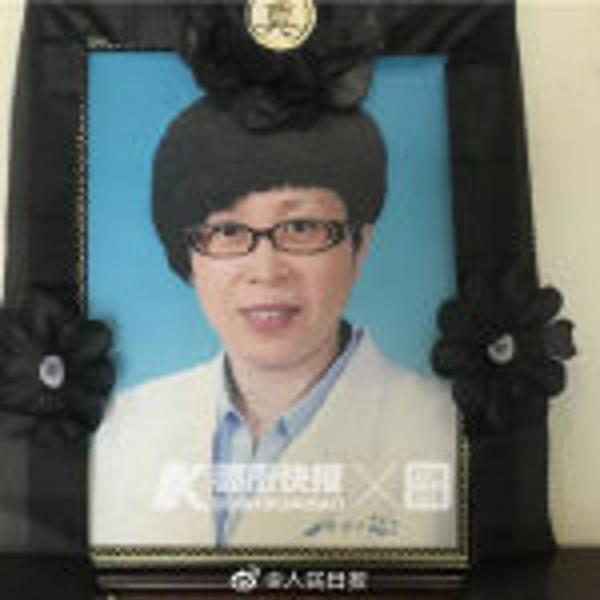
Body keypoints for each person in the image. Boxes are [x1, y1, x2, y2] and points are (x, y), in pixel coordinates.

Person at [90, 97, 457, 549]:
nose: (266, 271)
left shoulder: (446, 433)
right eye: (227, 231)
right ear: (186, 256)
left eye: (300, 227)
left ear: (359, 245)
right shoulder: (122, 428)